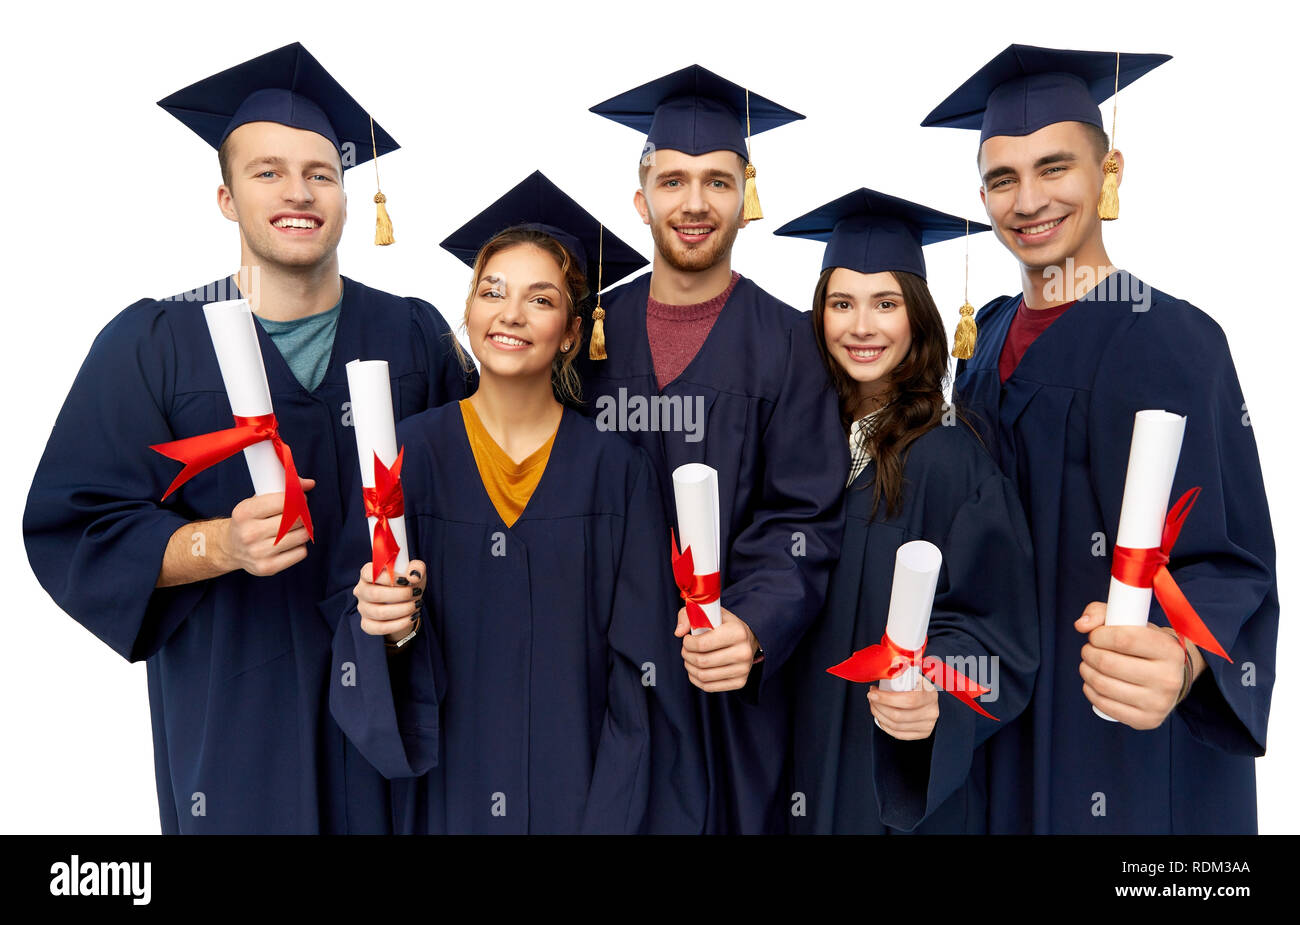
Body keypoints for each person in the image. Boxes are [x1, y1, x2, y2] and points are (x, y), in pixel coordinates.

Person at [22, 42, 473, 834]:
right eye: (268, 172)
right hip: (233, 722)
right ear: (226, 197)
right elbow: (76, 526)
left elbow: (479, 511)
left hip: (397, 718)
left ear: (344, 193)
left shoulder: (413, 335)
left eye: (321, 172)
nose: (298, 192)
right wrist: (217, 544)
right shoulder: (153, 343)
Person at [924, 44, 1279, 833]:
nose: (1028, 200)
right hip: (998, 717)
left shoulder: (1177, 340)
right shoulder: (978, 352)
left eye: (1055, 168)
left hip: (1116, 723)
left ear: (1108, 168)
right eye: (1002, 178)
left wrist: (1182, 659)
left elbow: (1231, 559)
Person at [328, 171, 704, 834]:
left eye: (540, 298)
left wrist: (609, 820)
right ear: (468, 312)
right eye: (492, 291)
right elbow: (358, 638)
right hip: (447, 800)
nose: (510, 313)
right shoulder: (403, 458)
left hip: (582, 799)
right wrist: (389, 627)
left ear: (570, 333)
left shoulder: (616, 472)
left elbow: (642, 678)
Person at [580, 65, 848, 834]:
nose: (694, 203)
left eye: (718, 183)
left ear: (746, 198)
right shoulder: (588, 332)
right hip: (600, 674)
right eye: (673, 182)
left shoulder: (791, 343)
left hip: (727, 685)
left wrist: (755, 624)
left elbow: (807, 514)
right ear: (641, 199)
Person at [774, 188, 1037, 833]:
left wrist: (937, 692)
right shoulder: (792, 441)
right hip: (791, 758)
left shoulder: (953, 457)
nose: (862, 327)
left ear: (918, 318)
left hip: (885, 769)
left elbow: (995, 629)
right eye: (842, 304)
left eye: (885, 304)